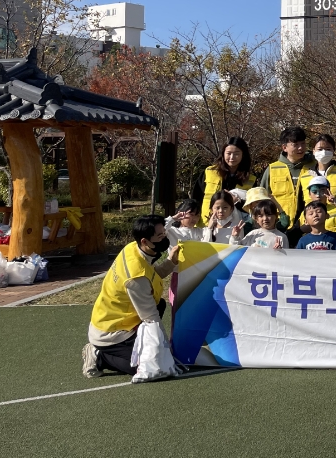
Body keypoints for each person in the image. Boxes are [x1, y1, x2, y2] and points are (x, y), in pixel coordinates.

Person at [83, 215, 179, 378]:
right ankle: (99, 355)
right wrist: (164, 350)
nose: (164, 237)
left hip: (121, 319)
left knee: (159, 304)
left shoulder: (133, 249)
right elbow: (150, 317)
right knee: (149, 367)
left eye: (164, 233)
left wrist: (171, 261)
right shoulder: (135, 277)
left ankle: (136, 346)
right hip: (111, 332)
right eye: (160, 236)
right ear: (144, 241)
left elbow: (153, 275)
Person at [259, 127, 316, 232]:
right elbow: (262, 198)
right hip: (279, 227)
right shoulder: (272, 169)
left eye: (303, 143)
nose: (300, 148)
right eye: (295, 145)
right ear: (284, 147)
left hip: (309, 227)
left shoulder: (314, 166)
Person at [194, 136, 256, 222]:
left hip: (234, 227)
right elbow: (196, 197)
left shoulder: (250, 179)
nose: (232, 157)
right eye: (229, 153)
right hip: (207, 224)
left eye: (237, 154)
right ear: (223, 153)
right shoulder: (209, 172)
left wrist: (237, 201)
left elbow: (254, 207)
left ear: (243, 155)